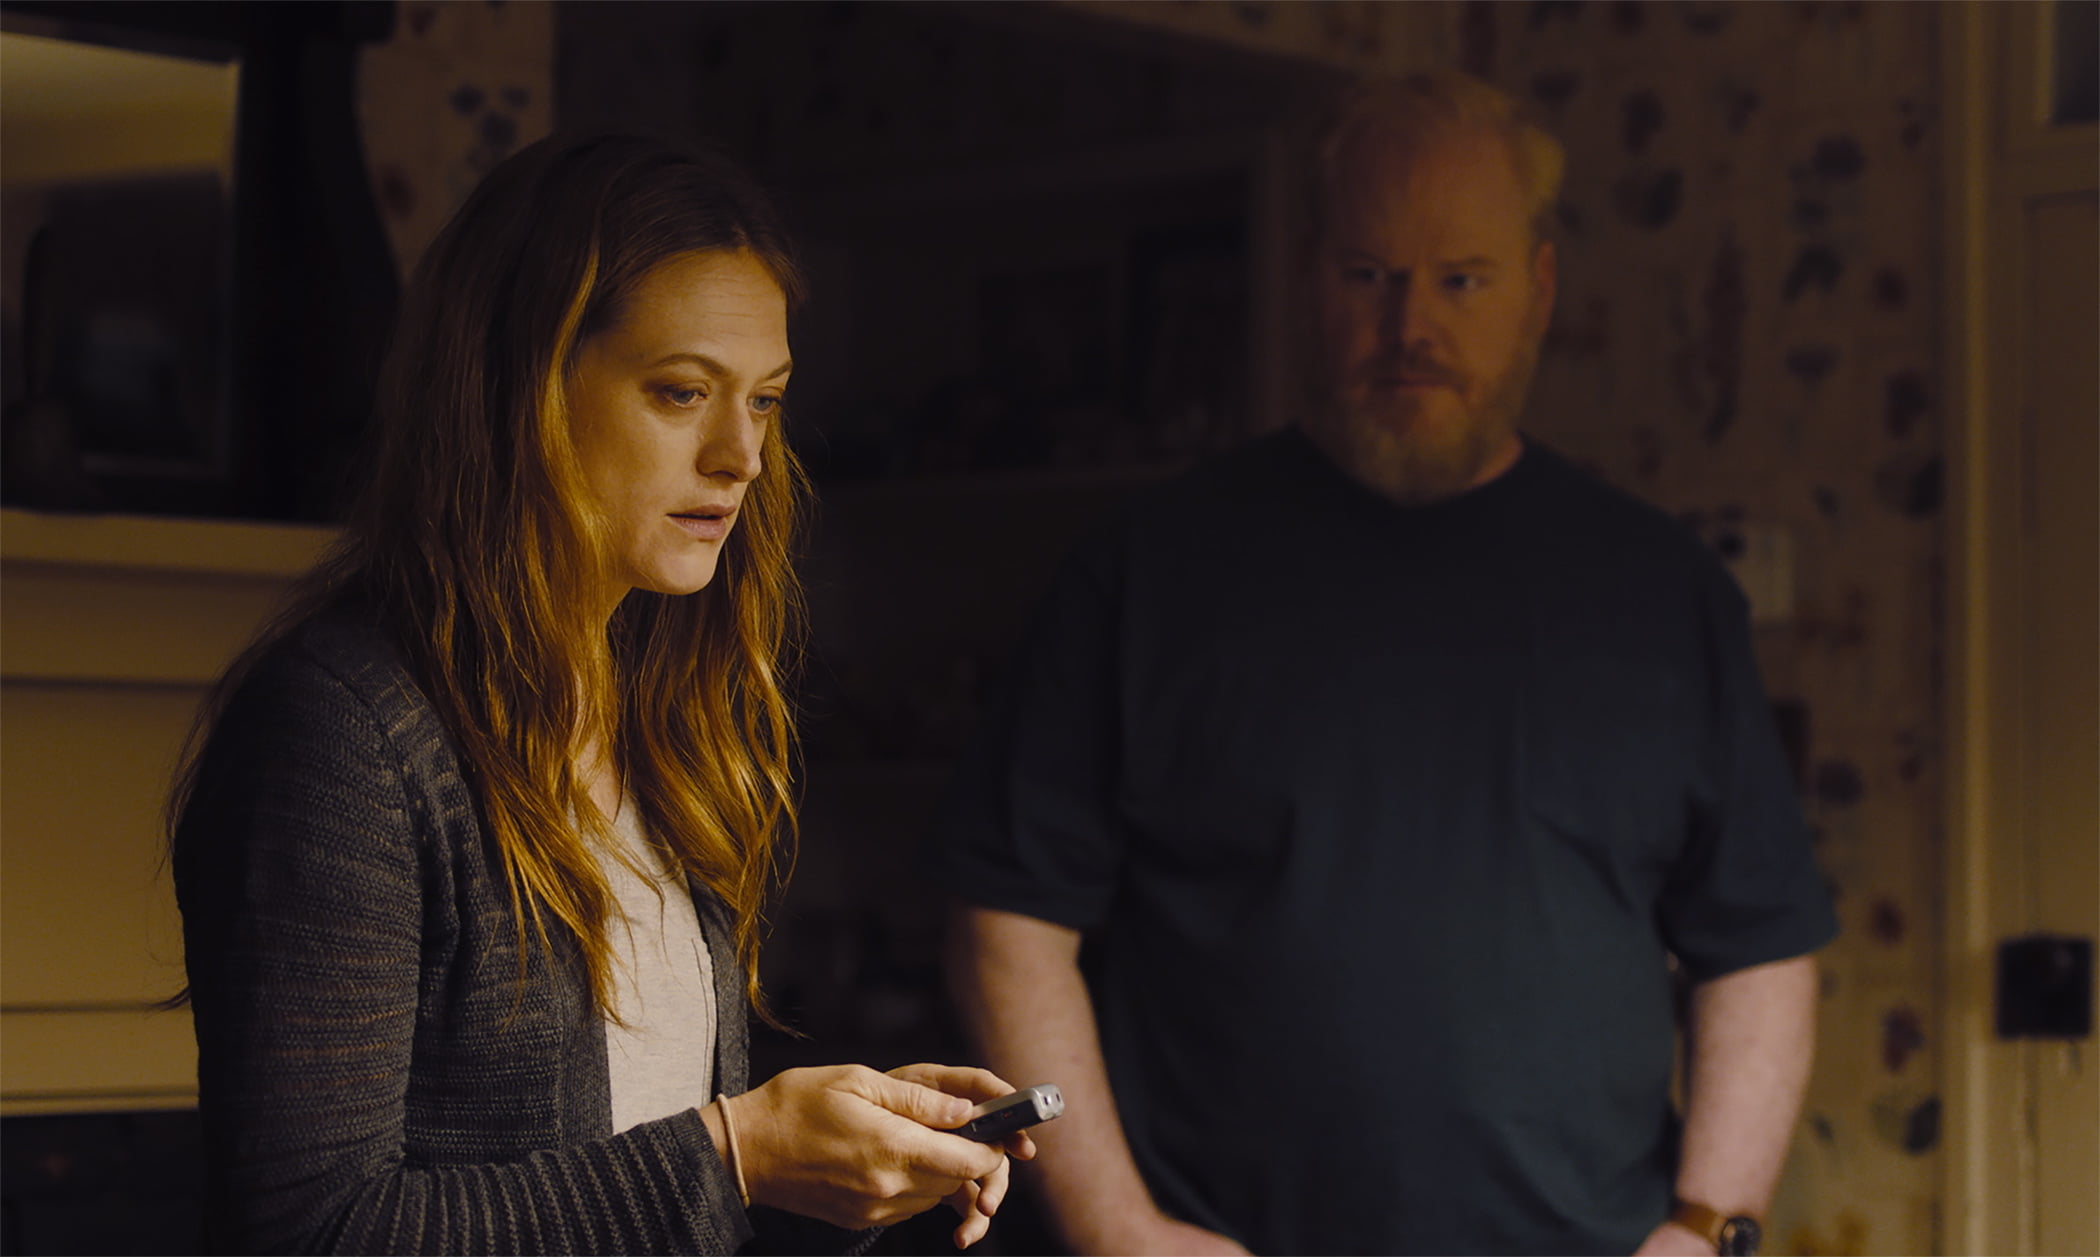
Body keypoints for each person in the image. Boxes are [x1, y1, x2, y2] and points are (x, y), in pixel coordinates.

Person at [936, 71, 1835, 1257]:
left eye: (1462, 279)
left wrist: (1706, 1228)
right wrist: (1119, 1231)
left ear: (1538, 289)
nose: (1412, 326)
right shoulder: (1144, 571)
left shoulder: (1666, 594)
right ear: (1310, 277)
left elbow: (1758, 947)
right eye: (1370, 275)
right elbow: (1007, 922)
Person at [171, 133, 1032, 1256]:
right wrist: (739, 1154)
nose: (740, 457)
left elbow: (640, 1180)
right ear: (517, 390)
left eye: (766, 401)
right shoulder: (343, 736)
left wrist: (836, 1160)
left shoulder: (656, 716)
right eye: (682, 393)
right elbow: (313, 1231)